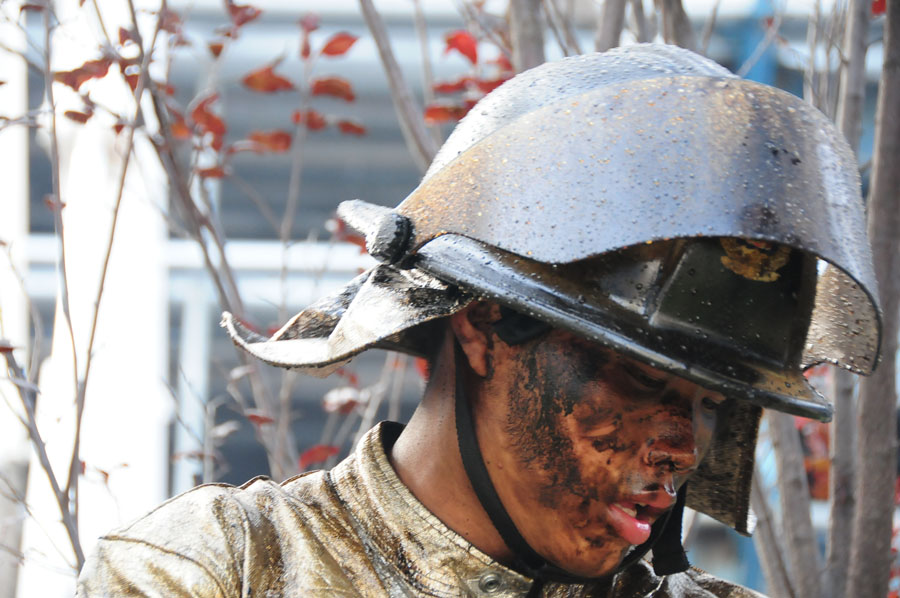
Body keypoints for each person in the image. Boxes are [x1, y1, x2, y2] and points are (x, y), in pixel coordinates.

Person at [76, 44, 882, 597]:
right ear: (486, 324)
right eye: (642, 377)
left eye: (709, 401)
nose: (679, 445)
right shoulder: (221, 571)